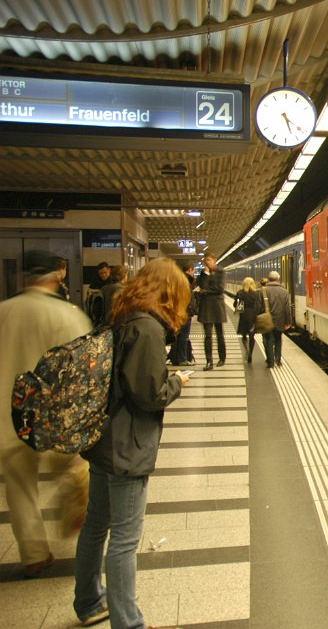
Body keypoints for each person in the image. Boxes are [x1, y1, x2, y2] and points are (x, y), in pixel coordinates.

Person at [73, 257, 192, 629]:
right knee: (125, 538)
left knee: (96, 526)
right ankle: (128, 623)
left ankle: (90, 601)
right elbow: (148, 394)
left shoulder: (122, 316)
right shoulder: (148, 328)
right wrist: (178, 383)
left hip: (105, 438)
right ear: (169, 292)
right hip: (127, 445)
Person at [0, 250, 92, 578]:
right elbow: (82, 372)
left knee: (21, 490)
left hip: (9, 420)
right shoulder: (67, 315)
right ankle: (82, 529)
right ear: (57, 277)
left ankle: (35, 555)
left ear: (22, 278)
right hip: (53, 419)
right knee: (75, 470)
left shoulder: (3, 312)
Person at [196, 253, 227, 371]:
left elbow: (220, 288)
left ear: (215, 260)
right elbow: (201, 285)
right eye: (205, 260)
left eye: (209, 260)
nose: (206, 262)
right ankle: (209, 361)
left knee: (220, 334)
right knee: (207, 336)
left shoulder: (221, 272)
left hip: (218, 307)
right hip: (206, 308)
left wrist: (205, 291)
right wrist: (206, 274)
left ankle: (222, 358)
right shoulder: (203, 273)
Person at [261, 270, 291, 368]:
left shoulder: (263, 290)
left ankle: (270, 362)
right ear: (278, 279)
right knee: (278, 339)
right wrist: (288, 322)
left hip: (267, 320)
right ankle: (278, 360)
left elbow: (260, 306)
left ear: (269, 279)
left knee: (268, 340)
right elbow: (287, 308)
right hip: (280, 320)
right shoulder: (284, 291)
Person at [169, 264, 197, 366]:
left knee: (178, 337)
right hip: (184, 314)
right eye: (193, 271)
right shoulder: (185, 282)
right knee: (183, 337)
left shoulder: (178, 281)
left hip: (179, 313)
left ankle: (175, 358)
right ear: (190, 270)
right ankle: (182, 359)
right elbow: (186, 299)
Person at [233, 277, 261, 364]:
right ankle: (251, 354)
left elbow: (237, 306)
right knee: (252, 336)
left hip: (244, 317)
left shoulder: (240, 293)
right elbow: (259, 306)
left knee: (244, 335)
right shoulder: (257, 294)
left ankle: (247, 350)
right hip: (253, 317)